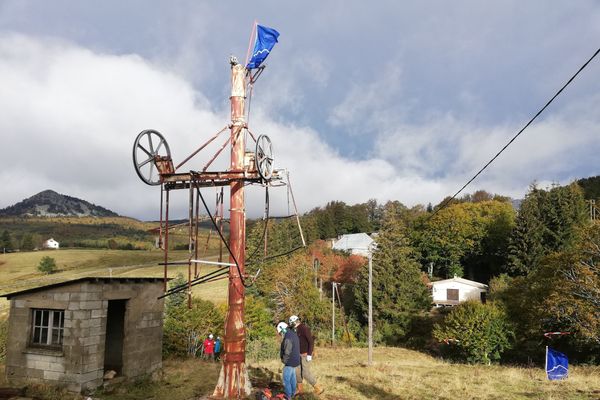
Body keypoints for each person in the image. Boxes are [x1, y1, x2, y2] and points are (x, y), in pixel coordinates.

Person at [289, 315, 324, 395]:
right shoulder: (295, 330)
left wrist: (309, 354)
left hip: (305, 355)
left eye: (291, 323)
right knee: (297, 372)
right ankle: (300, 389)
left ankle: (318, 387)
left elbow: (311, 342)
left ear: (295, 321)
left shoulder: (304, 328)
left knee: (305, 373)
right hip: (297, 355)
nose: (291, 325)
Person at [277, 321, 301, 399]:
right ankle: (293, 393)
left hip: (289, 362)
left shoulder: (288, 338)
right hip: (295, 360)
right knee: (292, 378)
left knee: (286, 380)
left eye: (280, 332)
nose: (281, 334)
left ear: (283, 329)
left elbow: (287, 352)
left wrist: (283, 363)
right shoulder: (293, 334)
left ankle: (288, 396)